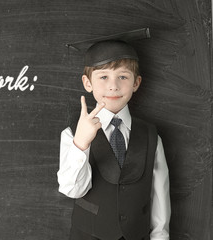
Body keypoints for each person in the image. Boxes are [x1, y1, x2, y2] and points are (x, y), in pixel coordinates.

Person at [57, 29, 171, 240]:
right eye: (103, 77)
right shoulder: (72, 134)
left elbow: (159, 197)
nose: (113, 86)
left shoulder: (151, 136)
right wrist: (81, 144)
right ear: (87, 83)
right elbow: (71, 190)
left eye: (123, 76)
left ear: (136, 83)